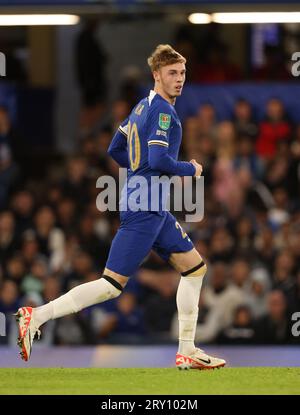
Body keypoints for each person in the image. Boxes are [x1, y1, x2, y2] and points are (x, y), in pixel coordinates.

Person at [15, 44, 226, 370]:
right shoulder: (165, 113)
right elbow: (158, 159)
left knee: (195, 268)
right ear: (156, 75)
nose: (179, 79)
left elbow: (116, 148)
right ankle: (37, 315)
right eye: (172, 73)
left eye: (182, 73)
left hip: (150, 206)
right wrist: (192, 169)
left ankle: (187, 349)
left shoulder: (141, 108)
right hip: (146, 208)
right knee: (111, 286)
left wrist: (139, 171)